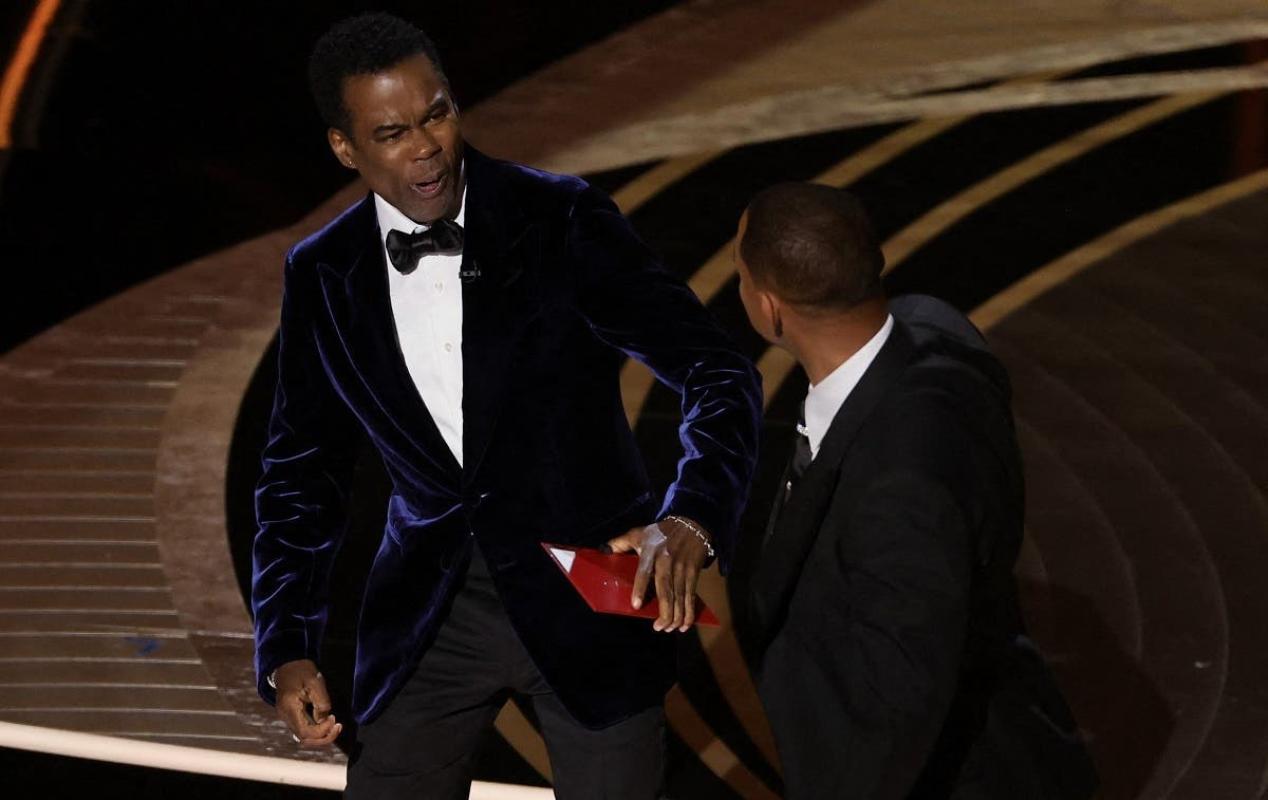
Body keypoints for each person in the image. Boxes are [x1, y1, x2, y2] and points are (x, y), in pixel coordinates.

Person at [250, 13, 762, 799]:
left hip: (591, 602)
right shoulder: (322, 272)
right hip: (430, 616)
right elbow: (300, 473)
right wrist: (286, 643)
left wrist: (694, 515)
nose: (427, 146)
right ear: (345, 149)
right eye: (392, 133)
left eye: (437, 115)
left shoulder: (560, 219)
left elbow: (718, 369)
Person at [734, 183, 1097, 799]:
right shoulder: (935, 326)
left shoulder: (900, 487)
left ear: (770, 310)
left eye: (740, 276)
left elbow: (899, 703)